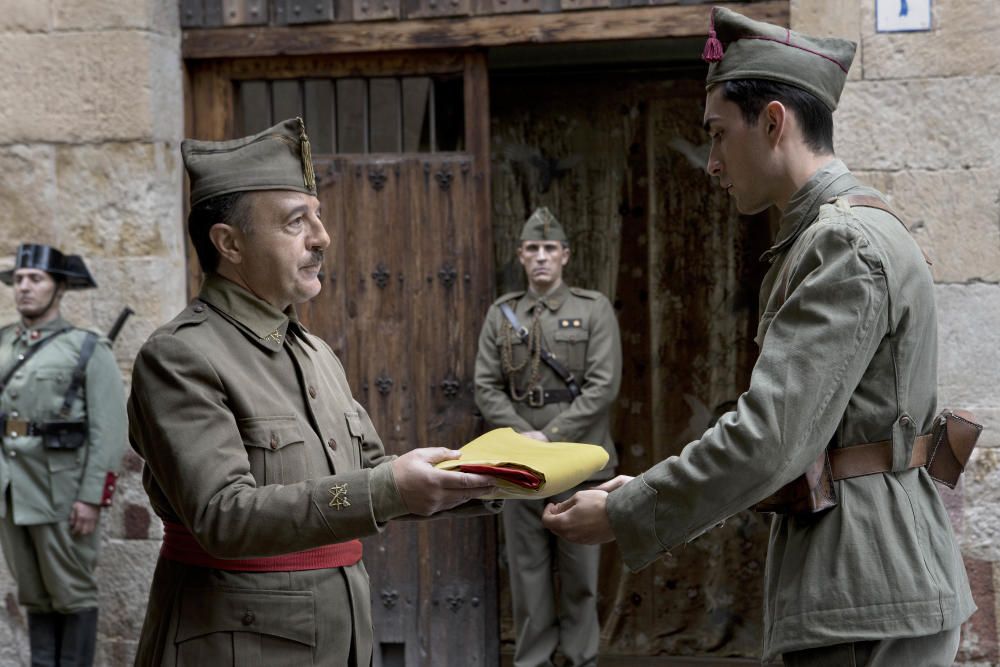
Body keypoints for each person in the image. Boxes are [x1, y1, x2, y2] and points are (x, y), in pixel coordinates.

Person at [543, 7, 975, 667]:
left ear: (773, 121)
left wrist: (630, 509)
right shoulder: (853, 227)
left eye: (718, 135)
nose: (712, 162)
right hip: (873, 577)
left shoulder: (841, 241)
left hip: (861, 585)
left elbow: (771, 437)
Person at [128, 117, 497, 666]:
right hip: (239, 645)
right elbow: (223, 516)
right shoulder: (181, 356)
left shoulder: (314, 352)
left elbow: (374, 470)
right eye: (296, 222)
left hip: (341, 639)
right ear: (228, 243)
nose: (321, 238)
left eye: (317, 219)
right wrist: (387, 489)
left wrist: (496, 479)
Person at [474, 207, 621, 667]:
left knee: (581, 573)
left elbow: (603, 385)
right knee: (528, 574)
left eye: (549, 249)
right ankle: (533, 661)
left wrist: (551, 437)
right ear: (520, 255)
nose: (541, 257)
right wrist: (523, 437)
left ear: (565, 256)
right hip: (519, 464)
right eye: (532, 249)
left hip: (579, 460)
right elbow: (485, 385)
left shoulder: (592, 308)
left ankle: (581, 658)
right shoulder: (502, 315)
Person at [0, 244, 127, 667]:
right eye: (18, 279)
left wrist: (92, 497)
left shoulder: (87, 348)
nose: (24, 287)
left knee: (71, 591)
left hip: (62, 491)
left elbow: (108, 432)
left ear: (59, 288)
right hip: (12, 490)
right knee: (34, 593)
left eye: (35, 279)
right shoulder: (2, 344)